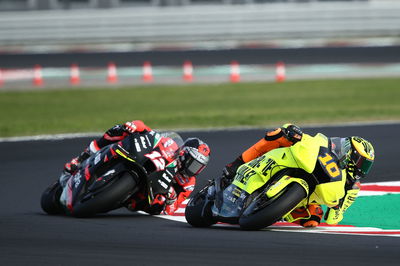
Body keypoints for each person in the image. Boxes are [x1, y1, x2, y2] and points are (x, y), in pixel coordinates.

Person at [222, 123, 375, 227]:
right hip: (295, 162)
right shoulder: (330, 147)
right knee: (279, 133)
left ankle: (277, 212)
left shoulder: (352, 187)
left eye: (366, 165)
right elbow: (311, 139)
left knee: (313, 220)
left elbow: (333, 219)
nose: (362, 169)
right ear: (350, 155)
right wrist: (295, 133)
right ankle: (236, 164)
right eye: (362, 162)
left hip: (310, 195)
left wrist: (337, 205)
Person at [63, 120, 211, 215]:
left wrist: (171, 198)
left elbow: (172, 208)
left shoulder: (189, 183)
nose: (193, 170)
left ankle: (111, 199)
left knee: (155, 206)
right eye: (193, 164)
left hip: (146, 196)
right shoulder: (171, 145)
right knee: (119, 130)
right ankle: (83, 157)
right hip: (141, 160)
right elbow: (149, 132)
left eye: (198, 167)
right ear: (184, 154)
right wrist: (134, 126)